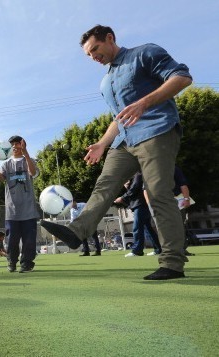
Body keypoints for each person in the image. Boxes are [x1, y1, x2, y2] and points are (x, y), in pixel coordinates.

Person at [40, 25, 192, 280]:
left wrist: (144, 102)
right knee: (104, 186)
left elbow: (182, 78)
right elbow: (117, 118)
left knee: (158, 194)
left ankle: (172, 263)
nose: (93, 57)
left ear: (110, 38)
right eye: (88, 55)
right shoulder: (105, 82)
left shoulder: (145, 53)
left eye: (95, 49)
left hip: (157, 130)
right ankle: (77, 233)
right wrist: (102, 143)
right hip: (123, 141)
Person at [0, 135, 40, 273]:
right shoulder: (6, 164)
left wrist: (26, 152)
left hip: (28, 210)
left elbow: (33, 172)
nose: (15, 146)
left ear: (22, 145)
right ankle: (11, 262)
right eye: (13, 144)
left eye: (18, 143)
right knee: (11, 240)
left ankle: (27, 263)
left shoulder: (30, 160)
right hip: (12, 210)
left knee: (29, 240)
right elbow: (0, 179)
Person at [115, 172, 162, 257]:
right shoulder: (134, 176)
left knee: (137, 227)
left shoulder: (138, 175)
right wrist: (127, 187)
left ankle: (137, 250)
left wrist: (122, 197)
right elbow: (133, 190)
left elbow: (134, 189)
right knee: (148, 228)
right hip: (141, 204)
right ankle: (158, 249)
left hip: (140, 205)